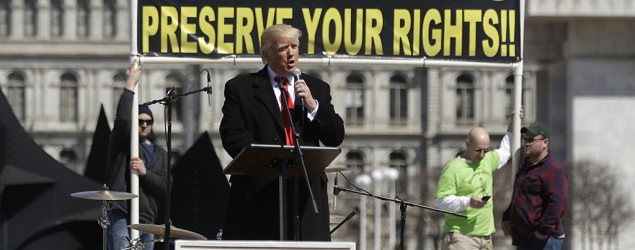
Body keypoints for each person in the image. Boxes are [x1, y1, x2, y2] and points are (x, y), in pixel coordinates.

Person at [219, 24, 345, 241]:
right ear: (265, 54)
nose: (291, 53)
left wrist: (313, 105)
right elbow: (232, 135)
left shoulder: (317, 87)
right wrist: (268, 159)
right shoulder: (241, 88)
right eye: (283, 48)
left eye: (294, 47)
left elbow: (335, 136)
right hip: (259, 192)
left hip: (305, 194)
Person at [105, 60, 169, 250]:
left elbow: (166, 187)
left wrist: (145, 173)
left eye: (148, 122)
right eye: (140, 121)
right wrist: (130, 84)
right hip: (122, 213)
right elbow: (123, 118)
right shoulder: (124, 145)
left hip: (147, 219)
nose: (144, 125)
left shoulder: (160, 154)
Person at [434, 110, 520, 250]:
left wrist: (512, 122)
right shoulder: (453, 168)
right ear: (467, 143)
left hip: (486, 237)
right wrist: (468, 202)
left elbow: (505, 150)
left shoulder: (487, 160)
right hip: (461, 238)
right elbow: (440, 202)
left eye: (485, 150)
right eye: (478, 150)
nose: (481, 154)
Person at [502, 122, 568, 250]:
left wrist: (542, 231)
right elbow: (520, 197)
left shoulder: (553, 169)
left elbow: (558, 203)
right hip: (525, 239)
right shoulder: (526, 166)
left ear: (545, 143)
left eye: (531, 139)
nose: (526, 143)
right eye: (525, 139)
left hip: (544, 241)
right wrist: (507, 217)